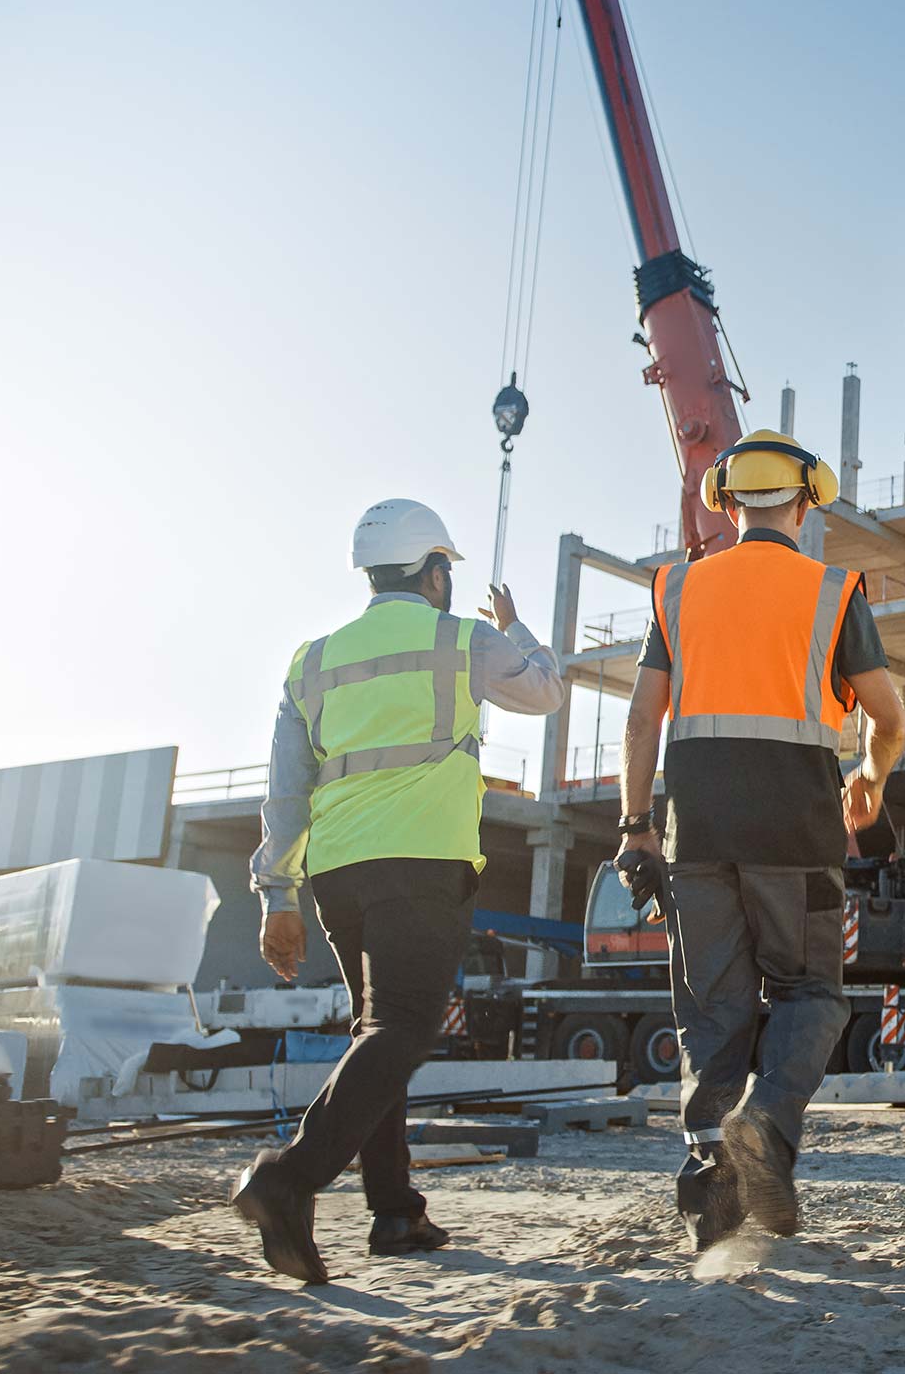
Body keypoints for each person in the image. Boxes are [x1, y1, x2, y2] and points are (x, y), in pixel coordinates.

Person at [239, 498, 566, 1283]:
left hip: (338, 873)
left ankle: (395, 1212)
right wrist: (518, 630)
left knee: (375, 1033)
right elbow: (546, 693)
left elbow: (284, 793)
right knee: (404, 1029)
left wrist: (275, 894)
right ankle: (289, 1177)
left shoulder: (312, 660)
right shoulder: (462, 639)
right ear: (436, 571)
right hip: (420, 862)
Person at [615, 430, 905, 1251]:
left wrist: (637, 826)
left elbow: (643, 717)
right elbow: (890, 718)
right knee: (811, 994)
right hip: (798, 833)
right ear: (806, 501)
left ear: (728, 500)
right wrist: (871, 779)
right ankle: (769, 1122)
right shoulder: (833, 590)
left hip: (697, 834)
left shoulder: (676, 588)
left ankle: (713, 1205)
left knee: (715, 1011)